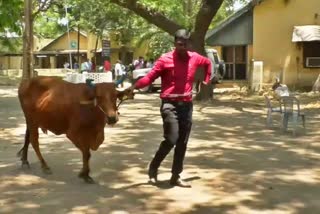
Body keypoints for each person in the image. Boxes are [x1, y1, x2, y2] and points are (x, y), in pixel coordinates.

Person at [128, 29, 212, 188]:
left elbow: (208, 63)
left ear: (189, 44)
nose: (182, 47)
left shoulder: (195, 58)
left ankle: (175, 176)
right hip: (169, 105)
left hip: (186, 106)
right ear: (175, 43)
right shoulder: (164, 59)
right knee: (171, 139)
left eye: (185, 44)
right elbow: (149, 77)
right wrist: (134, 87)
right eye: (179, 44)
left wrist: (206, 80)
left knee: (182, 143)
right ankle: (153, 168)